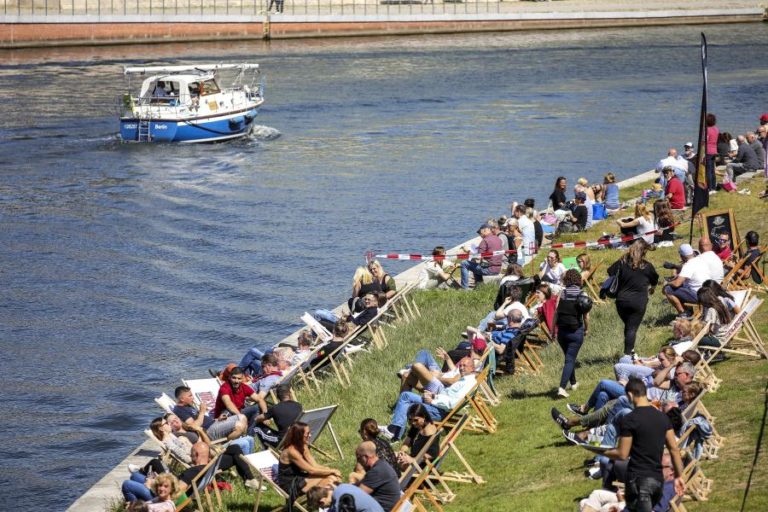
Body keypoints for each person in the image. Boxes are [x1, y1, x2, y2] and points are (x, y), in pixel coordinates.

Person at [604, 378, 685, 512]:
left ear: (630, 395)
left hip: (637, 480)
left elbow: (622, 454)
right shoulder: (663, 417)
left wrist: (600, 451)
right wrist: (678, 476)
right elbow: (674, 450)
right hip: (657, 482)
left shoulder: (629, 419)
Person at [380, 357, 476, 441]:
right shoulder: (465, 380)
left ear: (472, 368)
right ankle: (393, 431)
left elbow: (453, 404)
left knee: (408, 404)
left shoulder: (469, 383)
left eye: (465, 366)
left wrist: (433, 401)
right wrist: (434, 396)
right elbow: (449, 397)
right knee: (405, 395)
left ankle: (395, 433)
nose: (461, 368)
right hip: (438, 404)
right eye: (461, 366)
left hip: (440, 411)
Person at [607, 239, 659, 355]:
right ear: (644, 252)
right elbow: (655, 279)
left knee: (629, 326)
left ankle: (630, 351)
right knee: (632, 328)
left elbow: (610, 271)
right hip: (638, 301)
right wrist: (652, 288)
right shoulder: (647, 266)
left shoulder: (621, 262)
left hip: (621, 301)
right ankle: (627, 355)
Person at [277, 422, 341, 498]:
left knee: (331, 477)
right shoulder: (291, 451)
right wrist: (332, 471)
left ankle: (331, 501)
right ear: (299, 435)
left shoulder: (303, 445)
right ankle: (326, 502)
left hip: (300, 478)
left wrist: (329, 470)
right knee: (328, 477)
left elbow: (315, 465)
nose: (310, 435)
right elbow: (311, 470)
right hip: (290, 485)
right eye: (307, 433)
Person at [554, 269, 590, 398]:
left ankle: (573, 383)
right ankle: (562, 388)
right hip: (576, 331)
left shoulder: (562, 293)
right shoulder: (582, 293)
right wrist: (587, 329)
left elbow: (556, 313)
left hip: (562, 332)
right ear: (578, 279)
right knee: (570, 359)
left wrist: (553, 329)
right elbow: (586, 316)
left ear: (567, 280)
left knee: (570, 358)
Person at [172, 385, 246, 442]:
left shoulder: (188, 405)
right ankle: (226, 444)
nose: (193, 398)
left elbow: (203, 419)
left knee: (242, 417)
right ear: (182, 399)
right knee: (239, 426)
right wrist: (202, 411)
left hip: (214, 423)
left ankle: (243, 439)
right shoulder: (179, 410)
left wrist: (217, 419)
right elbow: (194, 426)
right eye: (190, 396)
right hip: (208, 431)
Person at [251, 384, 303, 449]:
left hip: (283, 441)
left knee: (257, 426)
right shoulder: (299, 406)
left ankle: (264, 449)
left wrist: (259, 418)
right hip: (298, 438)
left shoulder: (275, 408)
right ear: (289, 394)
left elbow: (257, 419)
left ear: (277, 396)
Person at [354, 441, 401, 512]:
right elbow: (361, 484)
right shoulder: (381, 465)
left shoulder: (377, 471)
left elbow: (357, 496)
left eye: (358, 458)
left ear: (366, 457)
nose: (358, 461)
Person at [397, 404, 441, 473]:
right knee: (390, 455)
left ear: (424, 417)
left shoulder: (430, 432)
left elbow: (432, 454)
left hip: (421, 467)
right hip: (412, 459)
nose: (413, 423)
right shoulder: (417, 426)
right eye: (410, 420)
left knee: (389, 460)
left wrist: (413, 460)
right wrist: (402, 452)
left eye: (416, 420)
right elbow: (407, 442)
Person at [663, 244, 702, 317]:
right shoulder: (699, 260)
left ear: (682, 256)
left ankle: (683, 313)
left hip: (698, 295)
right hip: (707, 292)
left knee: (668, 289)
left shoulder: (688, 265)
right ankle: (689, 310)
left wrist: (668, 283)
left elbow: (677, 283)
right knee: (683, 286)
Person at [460, 223, 503, 289]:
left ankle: (464, 288)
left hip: (489, 269)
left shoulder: (485, 240)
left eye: (480, 233)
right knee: (475, 265)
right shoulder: (498, 239)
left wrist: (467, 251)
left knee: (464, 263)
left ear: (485, 230)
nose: (480, 235)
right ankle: (479, 287)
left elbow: (478, 256)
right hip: (498, 268)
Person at [307, 484, 385, 512]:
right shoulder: (342, 486)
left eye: (321, 506)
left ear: (322, 501)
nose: (324, 507)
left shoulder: (339, 504)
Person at [705, 113, 719, 191]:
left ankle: (709, 188)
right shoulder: (716, 129)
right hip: (714, 150)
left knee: (708, 170)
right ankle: (713, 186)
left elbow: (705, 141)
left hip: (708, 151)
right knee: (712, 170)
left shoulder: (707, 130)